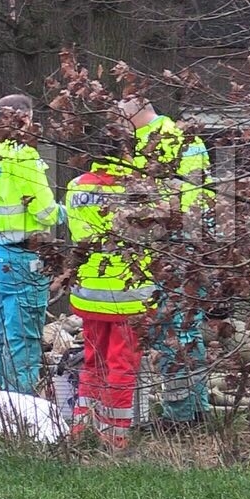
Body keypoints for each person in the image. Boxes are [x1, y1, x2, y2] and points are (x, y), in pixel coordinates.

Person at [116, 96, 213, 428]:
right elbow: (201, 194)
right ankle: (198, 408)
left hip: (169, 245)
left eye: (121, 119)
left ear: (134, 116)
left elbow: (158, 201)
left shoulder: (152, 145)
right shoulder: (187, 138)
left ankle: (180, 416)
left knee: (168, 331)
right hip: (191, 241)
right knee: (188, 328)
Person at [0, 93, 63, 395]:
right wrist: (68, 210)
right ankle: (21, 407)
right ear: (26, 119)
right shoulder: (23, 156)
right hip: (21, 258)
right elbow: (46, 211)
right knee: (23, 335)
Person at [65, 128, 153, 450]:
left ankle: (82, 426)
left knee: (94, 361)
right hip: (128, 295)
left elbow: (79, 233)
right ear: (125, 152)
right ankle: (114, 435)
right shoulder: (140, 190)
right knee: (121, 365)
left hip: (90, 290)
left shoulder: (75, 188)